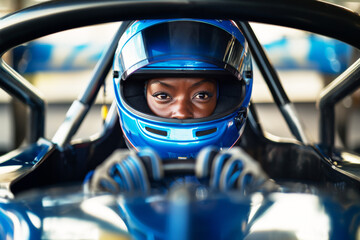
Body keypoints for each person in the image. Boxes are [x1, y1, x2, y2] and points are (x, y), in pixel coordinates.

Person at [86, 19, 267, 194]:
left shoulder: (254, 186)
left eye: (201, 95)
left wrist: (263, 192)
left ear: (226, 97)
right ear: (136, 96)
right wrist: (98, 193)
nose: (181, 112)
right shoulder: (105, 184)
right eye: (163, 96)